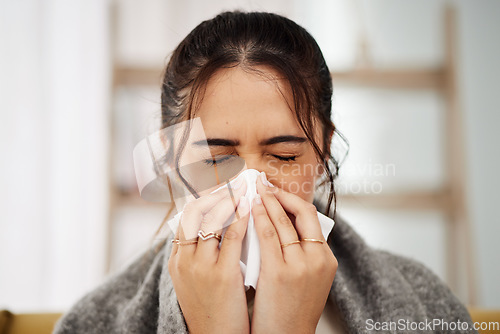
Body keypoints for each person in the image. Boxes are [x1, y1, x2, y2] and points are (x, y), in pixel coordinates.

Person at [53, 11, 476, 334]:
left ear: (324, 149)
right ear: (169, 157)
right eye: (217, 158)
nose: (252, 186)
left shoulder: (426, 309)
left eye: (285, 156)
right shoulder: (95, 323)